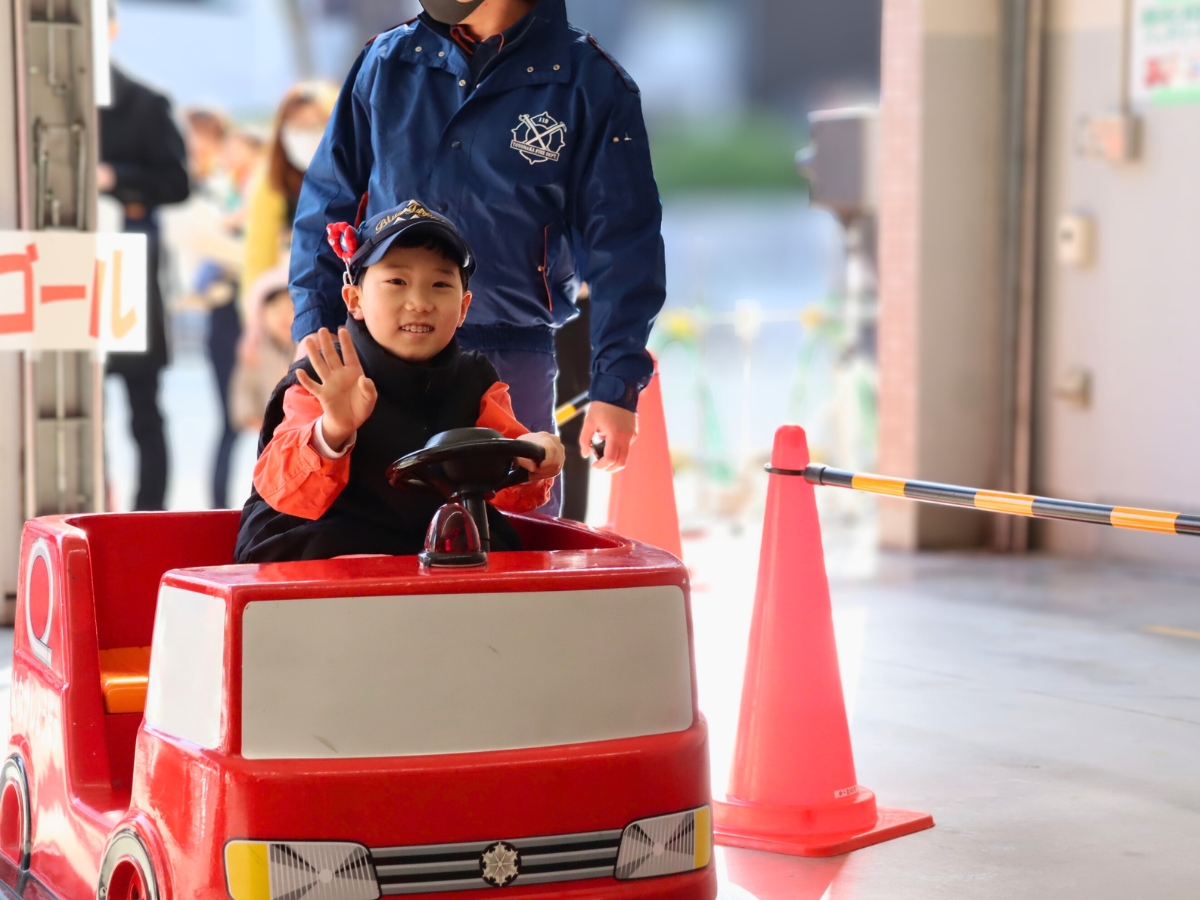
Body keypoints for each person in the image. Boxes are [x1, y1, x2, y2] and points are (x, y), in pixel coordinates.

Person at [288, 0, 666, 516]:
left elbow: (623, 244)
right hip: (379, 357)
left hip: (513, 351)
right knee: (369, 529)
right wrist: (315, 328)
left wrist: (615, 387)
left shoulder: (588, 81)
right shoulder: (387, 61)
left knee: (516, 531)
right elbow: (327, 203)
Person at [234, 201, 564, 563]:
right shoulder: (324, 376)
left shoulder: (475, 379)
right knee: (349, 561)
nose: (419, 303)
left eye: (440, 284)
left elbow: (512, 486)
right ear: (354, 300)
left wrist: (535, 457)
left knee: (495, 550)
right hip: (326, 541)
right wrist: (332, 431)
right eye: (397, 282)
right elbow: (284, 490)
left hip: (426, 543)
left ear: (463, 308)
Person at [99, 1, 189, 510]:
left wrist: (116, 178)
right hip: (62, 268)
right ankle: (89, 507)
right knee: (70, 403)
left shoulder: (145, 102)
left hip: (127, 268)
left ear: (112, 29)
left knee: (143, 407)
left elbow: (177, 183)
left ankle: (147, 512)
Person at [242, 83, 337, 297]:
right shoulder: (271, 180)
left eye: (314, 126)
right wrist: (255, 304)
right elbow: (259, 251)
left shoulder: (357, 175)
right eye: (296, 128)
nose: (305, 136)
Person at [230, 264, 295, 433]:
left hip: (301, 426)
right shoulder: (255, 350)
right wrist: (252, 419)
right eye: (275, 309)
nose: (283, 316)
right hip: (267, 428)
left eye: (291, 309)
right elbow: (244, 388)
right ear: (261, 315)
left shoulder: (307, 347)